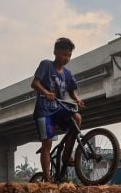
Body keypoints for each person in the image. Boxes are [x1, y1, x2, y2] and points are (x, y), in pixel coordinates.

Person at [31, 37, 85, 182]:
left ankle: (67, 155)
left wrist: (77, 99)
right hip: (44, 110)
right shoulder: (46, 65)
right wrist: (45, 92)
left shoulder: (67, 73)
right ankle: (48, 180)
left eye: (69, 55)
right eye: (64, 55)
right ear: (55, 52)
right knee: (47, 143)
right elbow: (34, 83)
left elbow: (72, 91)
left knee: (77, 118)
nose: (66, 58)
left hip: (58, 107)